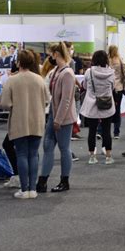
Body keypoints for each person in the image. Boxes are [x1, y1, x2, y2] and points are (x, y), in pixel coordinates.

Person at [0, 50, 49, 199]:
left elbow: (5, 104)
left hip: (19, 121)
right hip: (37, 121)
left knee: (21, 154)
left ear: (18, 62)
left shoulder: (12, 80)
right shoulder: (39, 80)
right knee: (33, 154)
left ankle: (23, 189)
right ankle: (33, 190)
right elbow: (47, 100)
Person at [36, 42, 77, 193]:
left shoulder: (67, 73)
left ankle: (64, 180)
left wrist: (58, 119)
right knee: (47, 146)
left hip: (63, 117)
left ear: (56, 54)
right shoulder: (55, 71)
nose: (49, 57)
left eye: (50, 54)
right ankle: (42, 181)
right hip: (53, 113)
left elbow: (66, 99)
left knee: (64, 148)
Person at [80, 50, 116, 165]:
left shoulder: (89, 72)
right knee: (106, 131)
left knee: (92, 131)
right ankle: (108, 157)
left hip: (91, 105)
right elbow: (112, 87)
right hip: (107, 105)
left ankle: (92, 157)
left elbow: (85, 86)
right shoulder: (111, 73)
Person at [108, 45, 125, 138]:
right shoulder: (120, 59)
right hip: (118, 87)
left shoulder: (106, 60)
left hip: (108, 88)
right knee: (117, 110)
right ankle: (116, 132)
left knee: (105, 109)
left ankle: (102, 130)